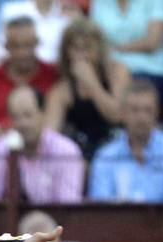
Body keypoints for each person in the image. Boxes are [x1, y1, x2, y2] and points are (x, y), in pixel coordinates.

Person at [0, 85, 86, 204]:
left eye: (28, 115)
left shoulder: (66, 151)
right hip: (8, 222)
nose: (22, 124)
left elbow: (69, 207)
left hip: (55, 222)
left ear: (43, 114)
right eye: (16, 117)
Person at [87, 79, 163, 203]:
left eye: (148, 110)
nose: (141, 117)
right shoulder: (105, 156)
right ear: (123, 113)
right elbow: (100, 209)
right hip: (117, 222)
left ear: (157, 113)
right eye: (135, 110)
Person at [44, 18, 129, 160]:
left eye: (87, 48)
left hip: (118, 151)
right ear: (66, 52)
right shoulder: (62, 90)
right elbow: (48, 136)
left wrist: (91, 83)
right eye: (75, 48)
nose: (81, 54)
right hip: (82, 155)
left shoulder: (118, 71)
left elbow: (117, 115)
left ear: (99, 49)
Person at [0, 17, 60, 146]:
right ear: (6, 46)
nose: (23, 53)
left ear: (37, 43)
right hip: (0, 148)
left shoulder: (53, 75)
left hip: (44, 148)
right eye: (16, 46)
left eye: (28, 45)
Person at [89, 0, 163, 100]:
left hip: (149, 69)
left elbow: (153, 42)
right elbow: (93, 40)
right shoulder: (100, 2)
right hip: (108, 67)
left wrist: (115, 48)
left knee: (119, 75)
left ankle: (118, 112)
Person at [0, 0, 78, 65]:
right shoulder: (12, 11)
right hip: (17, 77)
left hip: (54, 80)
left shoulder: (69, 17)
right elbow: (0, 53)